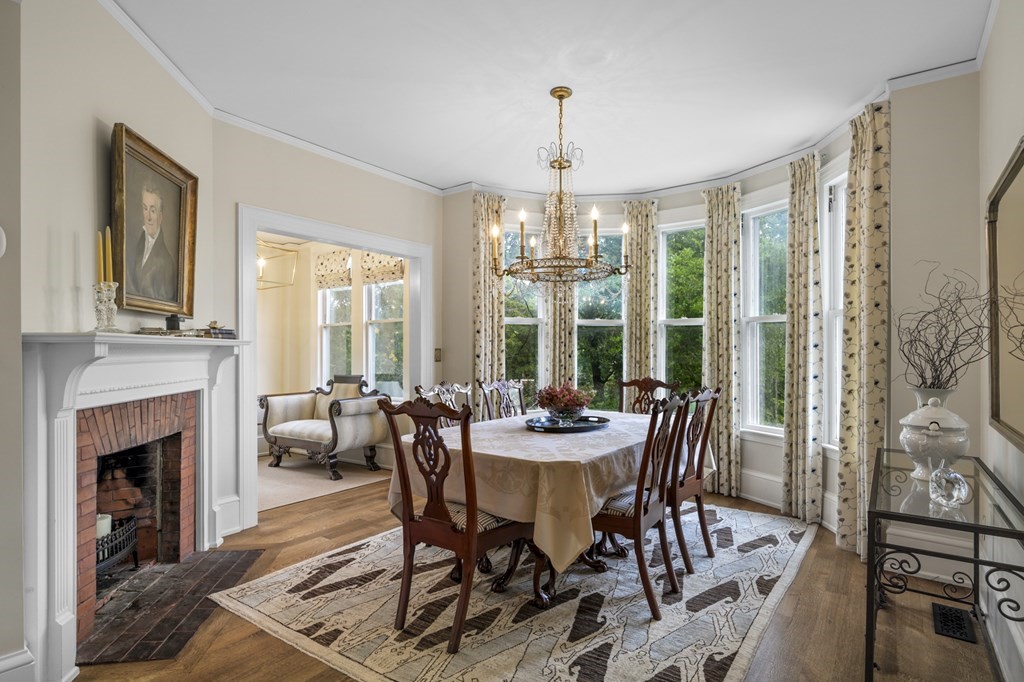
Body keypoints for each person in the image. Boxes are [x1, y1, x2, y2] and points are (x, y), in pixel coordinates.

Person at [128, 178, 178, 300]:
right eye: (145, 208)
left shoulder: (167, 263)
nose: (148, 217)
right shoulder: (139, 243)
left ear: (160, 217)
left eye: (153, 210)